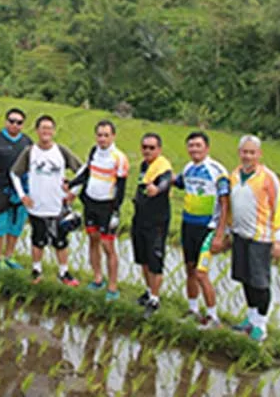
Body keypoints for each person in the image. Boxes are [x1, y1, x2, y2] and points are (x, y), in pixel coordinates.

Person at [10, 114, 82, 286]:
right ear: (37, 131)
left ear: (54, 131)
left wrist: (73, 191)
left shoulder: (61, 151)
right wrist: (22, 195)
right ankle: (36, 270)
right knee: (38, 240)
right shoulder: (30, 152)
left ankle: (64, 273)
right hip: (37, 206)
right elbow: (14, 173)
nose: (46, 132)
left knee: (60, 241)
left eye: (49, 128)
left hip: (58, 205)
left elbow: (82, 171)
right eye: (43, 128)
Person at [228, 135, 280, 343]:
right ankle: (251, 318)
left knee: (260, 283)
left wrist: (279, 239)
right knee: (245, 278)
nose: (248, 156)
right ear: (239, 153)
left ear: (259, 154)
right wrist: (227, 231)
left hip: (261, 237)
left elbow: (278, 207)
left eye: (252, 152)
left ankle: (261, 324)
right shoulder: (234, 175)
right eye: (245, 152)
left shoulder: (268, 178)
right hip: (240, 234)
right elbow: (230, 207)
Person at [172, 131, 230, 328]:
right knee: (189, 268)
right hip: (188, 225)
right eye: (191, 145)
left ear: (207, 148)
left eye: (198, 145)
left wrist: (220, 234)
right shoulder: (188, 168)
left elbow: (225, 203)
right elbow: (179, 182)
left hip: (208, 228)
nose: (194, 149)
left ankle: (213, 317)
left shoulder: (217, 171)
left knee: (201, 272)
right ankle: (193, 309)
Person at [67, 119, 129, 302]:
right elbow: (87, 173)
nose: (102, 139)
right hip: (90, 203)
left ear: (113, 136)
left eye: (106, 135)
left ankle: (113, 287)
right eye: (100, 135)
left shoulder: (119, 158)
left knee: (108, 246)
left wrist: (116, 211)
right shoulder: (94, 151)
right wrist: (71, 185)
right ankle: (97, 279)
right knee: (93, 240)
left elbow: (121, 188)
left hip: (107, 206)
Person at [0, 108, 33, 269]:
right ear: (6, 122)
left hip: (21, 189)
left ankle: (9, 256)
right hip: (0, 187)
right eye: (12, 121)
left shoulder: (27, 142)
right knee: (0, 224)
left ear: (23, 125)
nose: (15, 125)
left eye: (19, 122)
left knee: (16, 225)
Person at [132, 132, 173, 317]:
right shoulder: (145, 165)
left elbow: (166, 181)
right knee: (143, 258)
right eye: (145, 147)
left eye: (152, 148)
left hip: (157, 221)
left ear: (159, 149)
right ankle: (149, 292)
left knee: (155, 260)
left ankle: (155, 299)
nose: (147, 151)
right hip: (141, 217)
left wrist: (157, 189)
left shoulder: (163, 167)